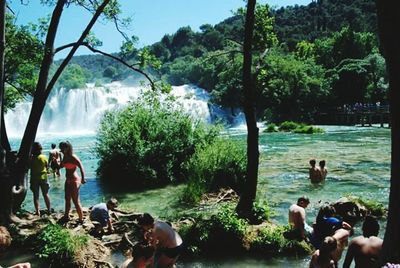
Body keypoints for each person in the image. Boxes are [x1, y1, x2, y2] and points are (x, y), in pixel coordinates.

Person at [59, 141, 86, 223]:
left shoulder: (73, 157)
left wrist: (83, 178)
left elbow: (81, 166)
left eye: (63, 148)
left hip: (74, 180)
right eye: (61, 148)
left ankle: (81, 219)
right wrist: (57, 162)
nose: (62, 149)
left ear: (68, 148)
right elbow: (61, 166)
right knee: (67, 199)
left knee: (75, 200)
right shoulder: (64, 156)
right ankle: (66, 216)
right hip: (68, 180)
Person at [30, 142, 51, 216]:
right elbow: (47, 166)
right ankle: (49, 210)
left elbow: (29, 167)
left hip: (34, 178)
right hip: (44, 177)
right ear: (40, 149)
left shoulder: (31, 158)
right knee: (45, 194)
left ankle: (37, 211)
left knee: (36, 196)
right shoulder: (44, 157)